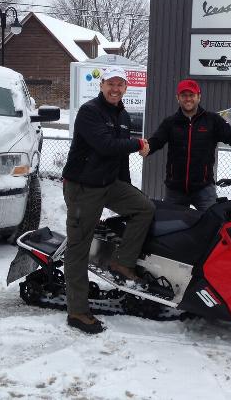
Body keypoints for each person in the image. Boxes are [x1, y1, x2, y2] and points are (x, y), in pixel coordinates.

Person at [62, 66, 154, 334]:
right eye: (110, 84)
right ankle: (77, 312)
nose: (115, 89)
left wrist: (126, 187)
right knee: (79, 247)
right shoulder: (90, 112)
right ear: (101, 85)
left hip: (108, 183)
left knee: (144, 207)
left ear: (126, 88)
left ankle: (121, 262)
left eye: (120, 85)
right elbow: (104, 146)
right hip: (83, 187)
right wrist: (138, 144)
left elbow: (119, 156)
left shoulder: (122, 115)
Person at [143, 79, 231, 211]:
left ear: (199, 97)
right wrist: (148, 147)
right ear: (178, 98)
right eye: (184, 95)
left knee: (212, 227)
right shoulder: (171, 122)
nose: (188, 99)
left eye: (191, 95)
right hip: (175, 190)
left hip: (204, 189)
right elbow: (157, 140)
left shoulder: (212, 120)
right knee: (172, 229)